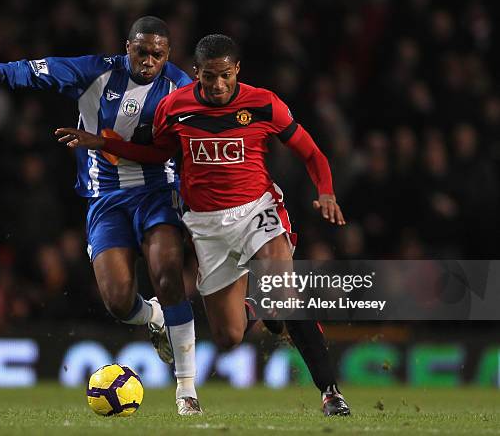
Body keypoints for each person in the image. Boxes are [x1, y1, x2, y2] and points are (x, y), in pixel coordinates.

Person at [55, 34, 351, 416]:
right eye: (209, 77)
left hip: (257, 210)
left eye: (225, 75)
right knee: (228, 337)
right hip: (206, 227)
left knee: (282, 292)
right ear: (196, 73)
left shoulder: (264, 103)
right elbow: (156, 154)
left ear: (237, 70)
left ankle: (330, 393)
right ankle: (257, 308)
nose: (217, 85)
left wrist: (326, 192)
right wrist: (101, 143)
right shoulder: (174, 107)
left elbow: (311, 152)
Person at [0, 16, 202, 415]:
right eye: (142, 51)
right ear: (126, 46)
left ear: (167, 55)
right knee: (117, 301)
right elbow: (43, 70)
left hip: (157, 193)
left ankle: (186, 390)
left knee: (167, 272)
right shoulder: (96, 71)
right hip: (106, 197)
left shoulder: (180, 87)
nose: (149, 60)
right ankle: (154, 317)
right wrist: (0, 72)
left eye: (158, 54)